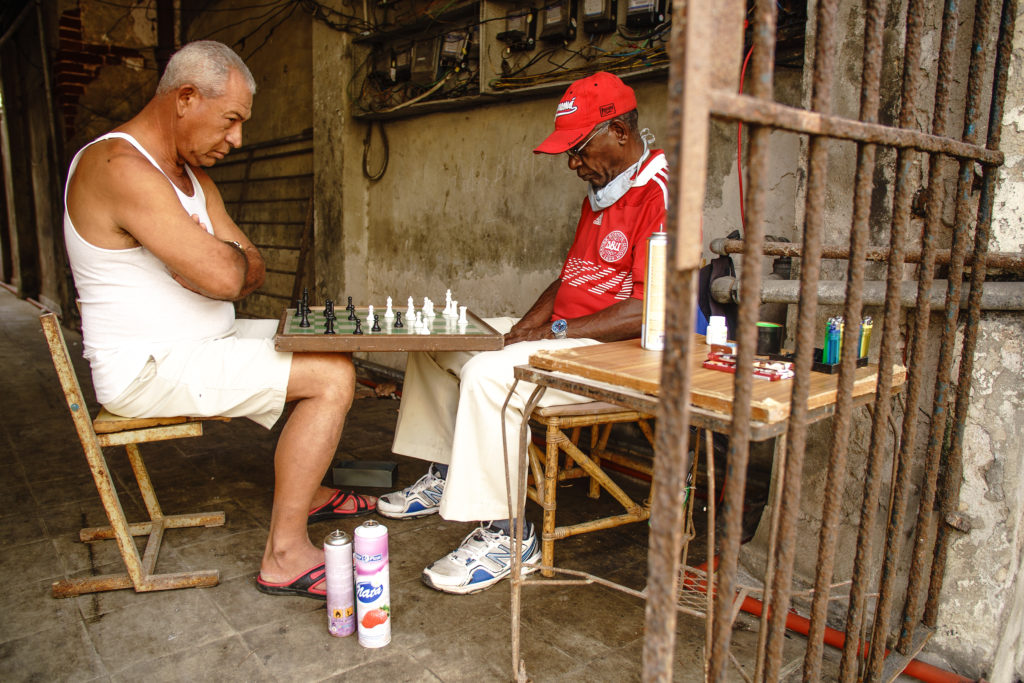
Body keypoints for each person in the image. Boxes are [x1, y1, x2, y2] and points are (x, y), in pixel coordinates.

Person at [62, 40, 374, 601]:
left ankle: (311, 488)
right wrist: (223, 264)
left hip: (206, 339)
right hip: (149, 367)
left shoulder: (189, 176)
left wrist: (221, 263)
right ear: (185, 98)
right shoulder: (117, 166)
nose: (237, 139)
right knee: (330, 378)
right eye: (230, 120)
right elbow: (231, 278)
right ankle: (284, 554)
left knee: (331, 342)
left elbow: (248, 268)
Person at [378, 72, 706, 595]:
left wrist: (553, 333)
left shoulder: (661, 195)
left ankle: (509, 536)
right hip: (569, 333)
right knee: (442, 340)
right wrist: (529, 325)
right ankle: (447, 470)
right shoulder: (603, 190)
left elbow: (650, 309)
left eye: (578, 149)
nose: (572, 163)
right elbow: (572, 275)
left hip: (618, 352)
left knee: (487, 376)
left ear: (619, 132)